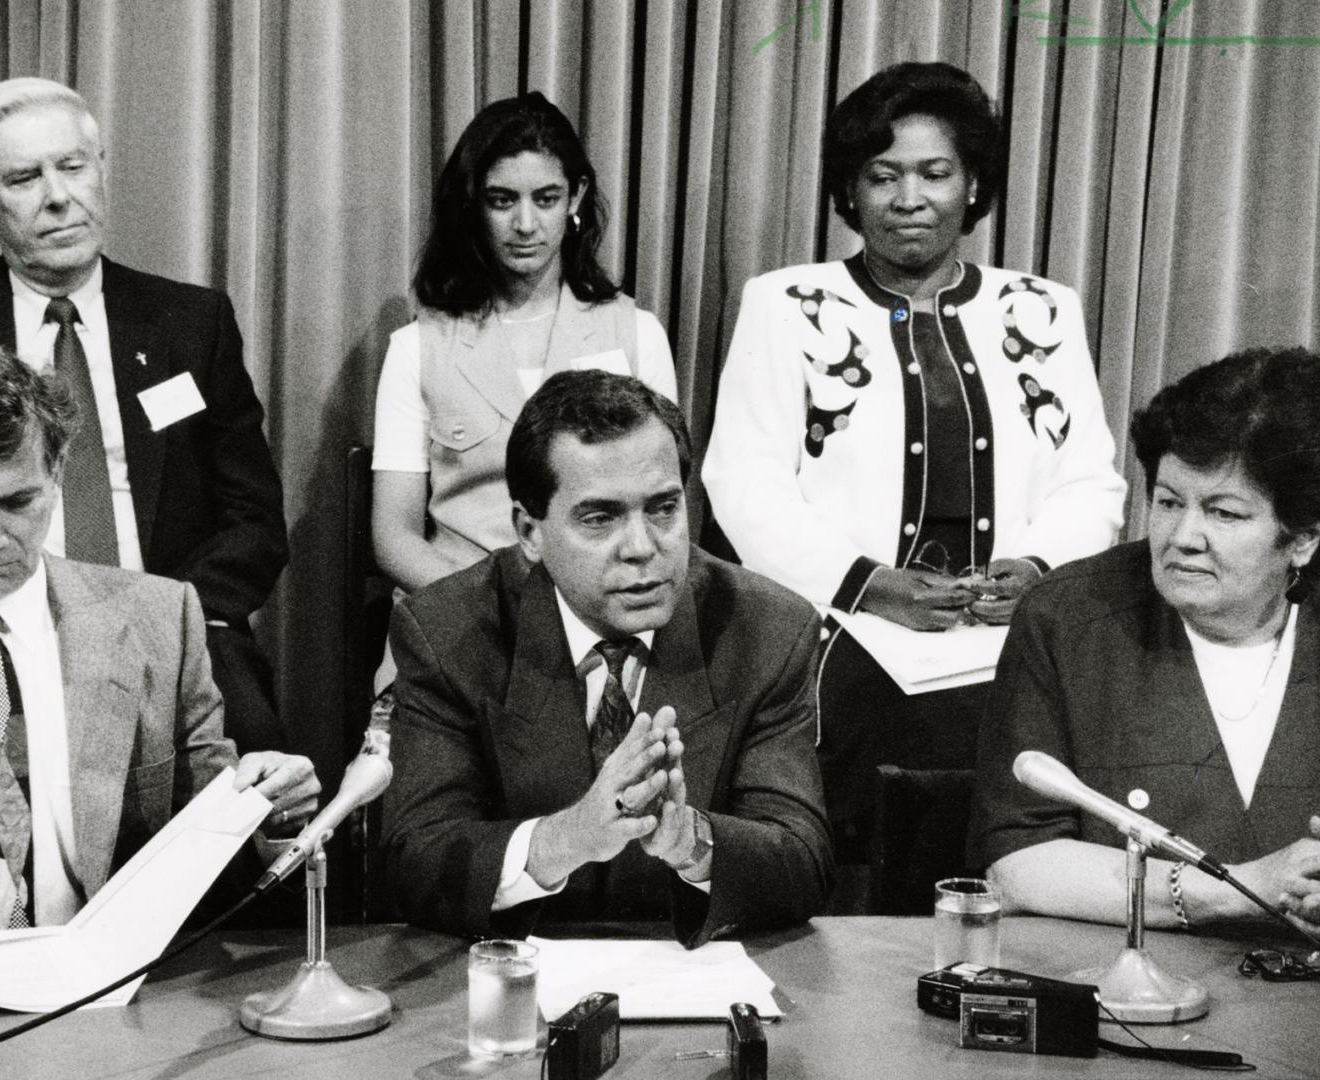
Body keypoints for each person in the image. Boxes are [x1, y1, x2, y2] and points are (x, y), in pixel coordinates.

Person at [701, 62, 1125, 871]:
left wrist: (1035, 570)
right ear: (849, 191)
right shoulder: (785, 303)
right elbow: (742, 482)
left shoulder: (1042, 307)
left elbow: (1090, 477)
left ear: (972, 186)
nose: (908, 198)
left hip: (1009, 624)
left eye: (934, 173)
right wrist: (870, 586)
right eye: (881, 175)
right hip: (841, 619)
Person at [0, 335, 319, 986]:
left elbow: (218, 859)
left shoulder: (160, 620)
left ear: (59, 470)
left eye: (18, 502)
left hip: (94, 1012)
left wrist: (266, 813)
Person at [0, 77, 289, 753]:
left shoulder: (191, 323)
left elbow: (253, 519)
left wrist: (167, 618)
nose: (58, 197)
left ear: (100, 169)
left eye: (73, 167)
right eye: (24, 177)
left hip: (174, 626)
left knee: (263, 781)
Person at [969, 347, 1320, 938]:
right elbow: (1018, 863)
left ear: (1304, 537)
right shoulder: (1067, 617)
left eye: (1225, 514)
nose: (1183, 537)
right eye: (1168, 501)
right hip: (1129, 995)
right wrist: (1237, 889)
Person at [383, 370, 832, 943]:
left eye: (664, 508)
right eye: (600, 518)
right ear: (530, 531)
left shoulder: (768, 632)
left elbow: (804, 861)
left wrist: (691, 842)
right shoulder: (448, 633)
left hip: (693, 976)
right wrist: (565, 838)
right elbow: (414, 862)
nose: (642, 548)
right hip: (513, 979)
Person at [371, 91, 677, 601]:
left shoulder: (637, 334)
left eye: (546, 198)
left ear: (575, 197)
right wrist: (493, 612)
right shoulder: (416, 349)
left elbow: (666, 510)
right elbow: (394, 536)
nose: (526, 225)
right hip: (460, 617)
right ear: (475, 205)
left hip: (600, 615)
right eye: (502, 200)